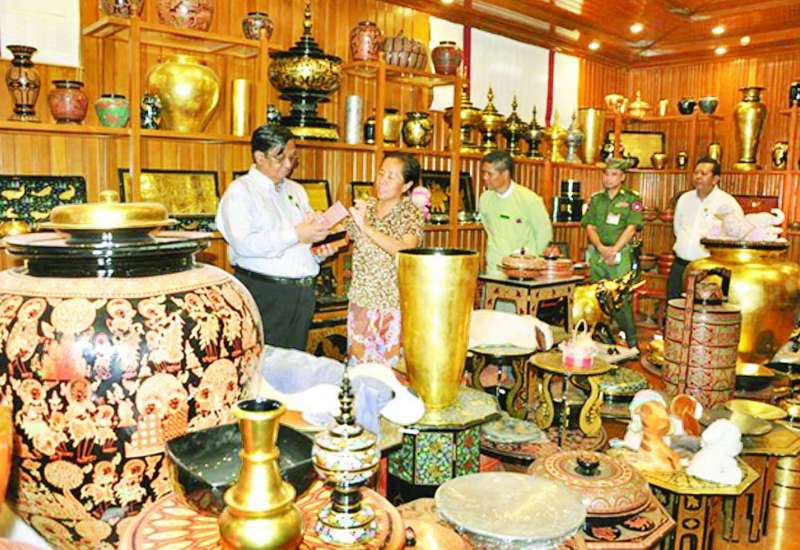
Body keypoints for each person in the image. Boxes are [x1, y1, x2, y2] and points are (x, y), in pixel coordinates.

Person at [216, 124, 341, 350]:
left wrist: (318, 252)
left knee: (295, 361)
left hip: (302, 293)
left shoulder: (296, 190)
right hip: (266, 292)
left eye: (292, 157)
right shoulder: (240, 191)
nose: (288, 164)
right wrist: (296, 234)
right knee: (266, 362)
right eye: (280, 157)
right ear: (259, 157)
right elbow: (244, 244)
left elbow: (301, 241)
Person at [347, 152, 425, 368]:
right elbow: (341, 238)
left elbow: (405, 250)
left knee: (389, 372)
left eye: (391, 176)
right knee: (358, 370)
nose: (382, 181)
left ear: (406, 185)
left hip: (393, 306)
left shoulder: (411, 213)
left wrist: (366, 227)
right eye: (381, 173)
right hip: (361, 302)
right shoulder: (366, 207)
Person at [581, 158, 643, 348]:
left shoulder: (632, 199)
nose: (609, 178)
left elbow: (632, 227)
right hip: (598, 253)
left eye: (614, 174)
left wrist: (614, 250)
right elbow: (589, 226)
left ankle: (632, 341)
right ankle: (599, 339)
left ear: (622, 177)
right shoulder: (596, 199)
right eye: (606, 174)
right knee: (596, 296)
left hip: (620, 254)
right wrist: (601, 248)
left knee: (620, 298)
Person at [668, 156, 743, 301]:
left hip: (709, 271)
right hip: (680, 266)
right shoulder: (684, 199)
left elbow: (736, 234)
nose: (698, 177)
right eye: (696, 172)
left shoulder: (727, 202)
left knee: (702, 311)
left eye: (703, 173)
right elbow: (678, 229)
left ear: (715, 179)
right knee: (674, 305)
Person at [479, 150, 552, 275]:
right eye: (483, 172)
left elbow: (544, 233)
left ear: (505, 174)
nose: (484, 177)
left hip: (522, 271)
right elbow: (489, 228)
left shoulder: (529, 199)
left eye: (490, 174)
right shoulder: (485, 199)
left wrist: (529, 260)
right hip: (494, 269)